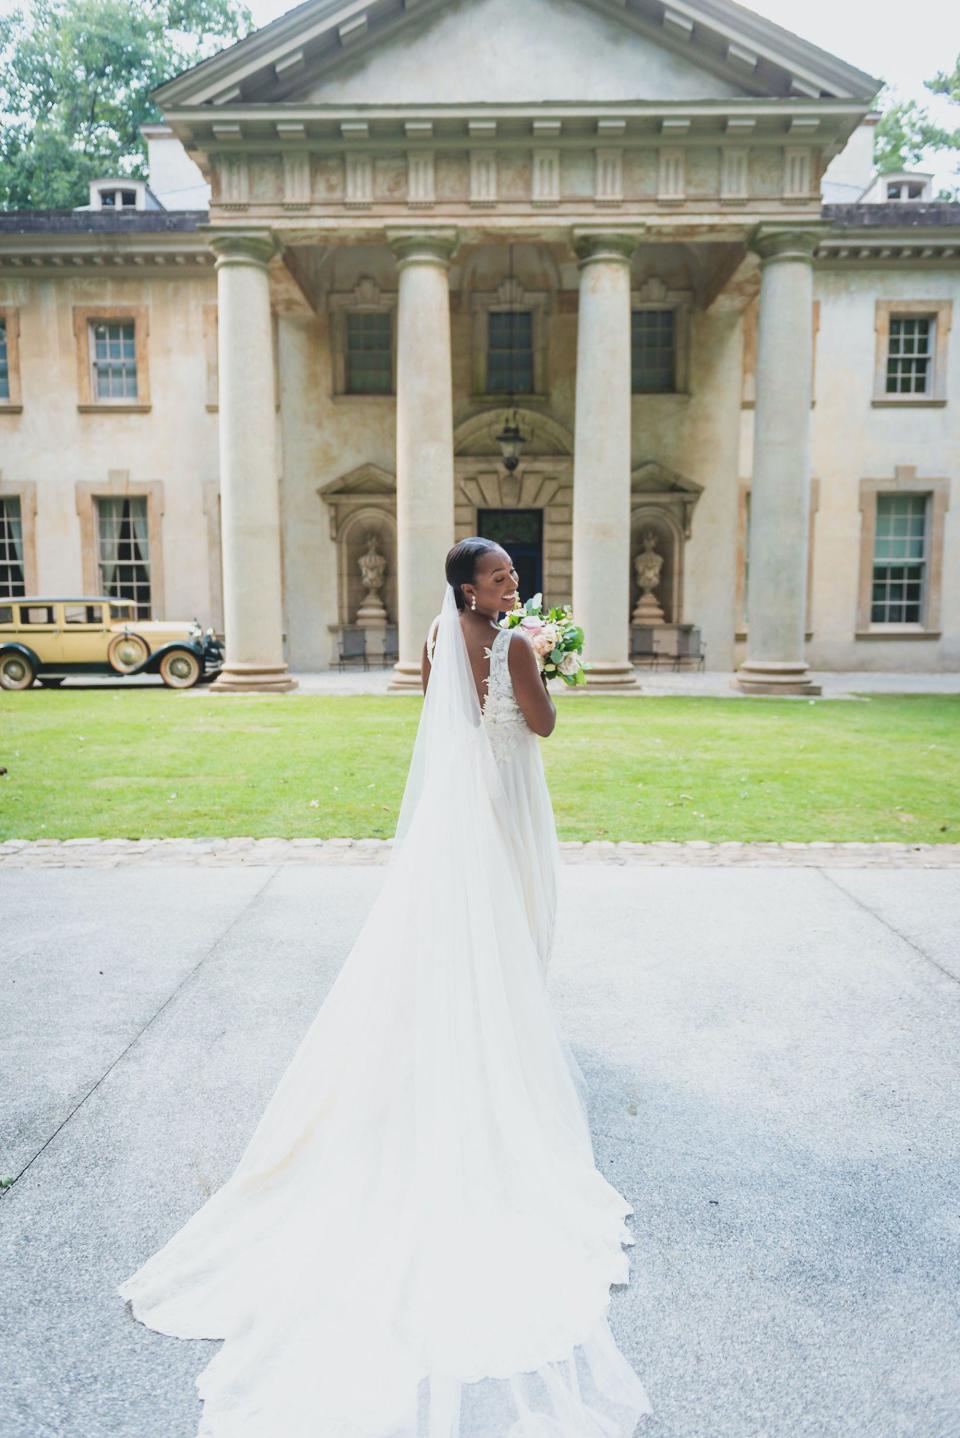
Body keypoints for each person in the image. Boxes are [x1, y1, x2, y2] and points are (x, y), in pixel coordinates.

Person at [116, 536, 653, 1437]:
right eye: (499, 577)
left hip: (460, 811)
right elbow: (544, 726)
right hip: (508, 799)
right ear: (466, 589)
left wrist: (526, 644)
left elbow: (453, 719)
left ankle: (468, 1023)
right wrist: (545, 659)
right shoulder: (514, 643)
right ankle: (502, 1035)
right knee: (516, 919)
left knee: (461, 929)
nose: (512, 583)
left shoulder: (443, 642)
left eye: (514, 573)